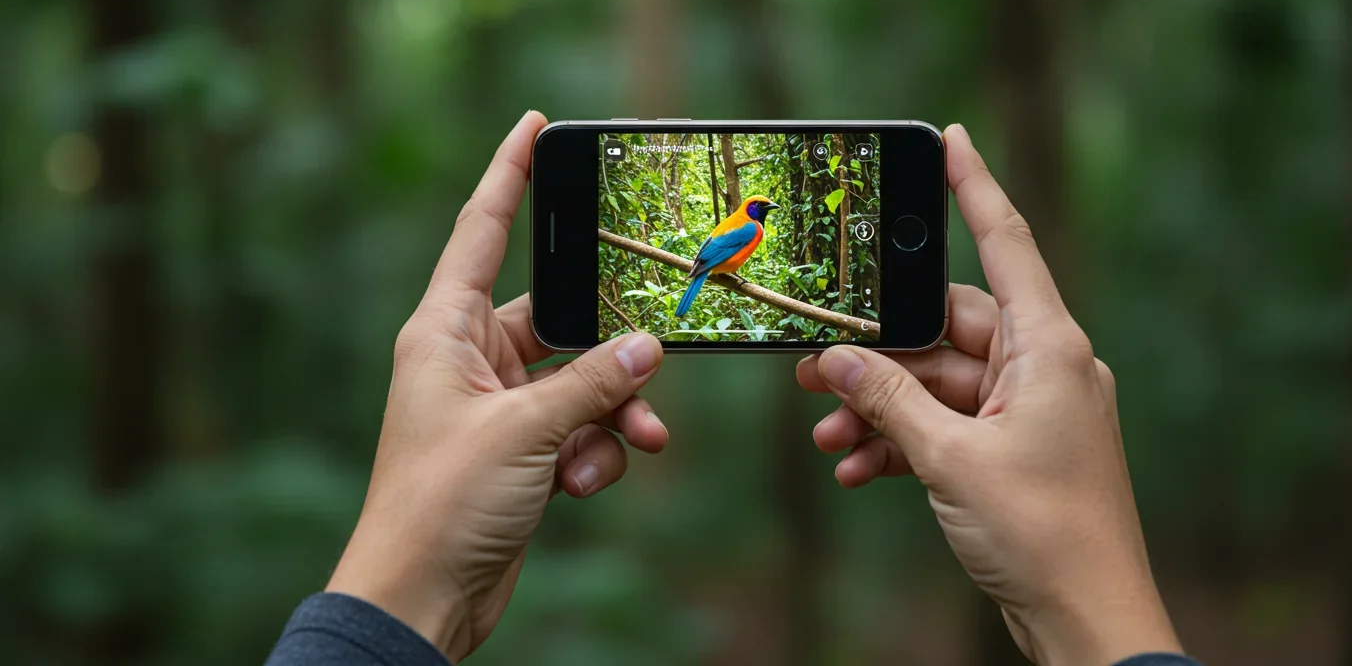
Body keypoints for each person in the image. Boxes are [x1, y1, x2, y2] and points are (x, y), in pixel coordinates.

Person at [264, 112, 1200, 666]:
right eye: (755, 213)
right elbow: (715, 256)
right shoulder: (730, 231)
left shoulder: (746, 231)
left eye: (752, 215)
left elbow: (728, 254)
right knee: (698, 287)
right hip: (710, 272)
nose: (754, 217)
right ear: (747, 219)